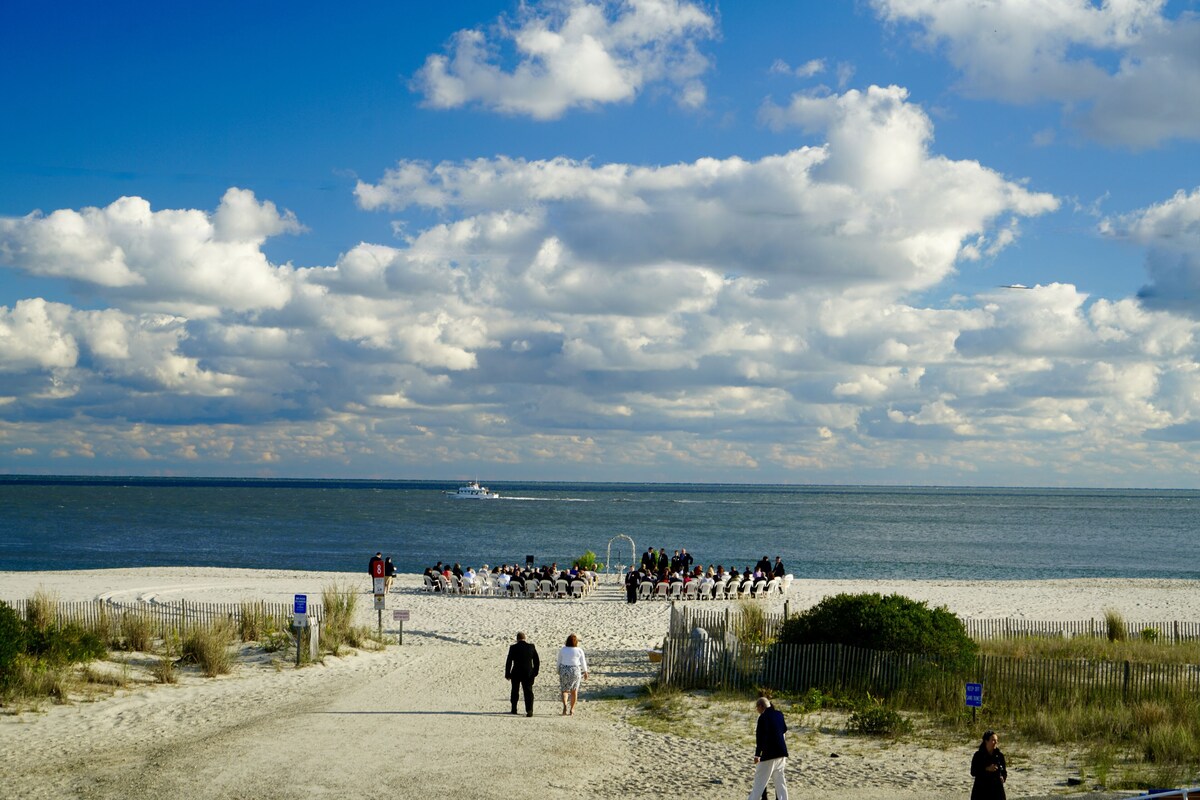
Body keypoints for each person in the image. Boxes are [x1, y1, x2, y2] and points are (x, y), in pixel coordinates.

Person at [746, 697, 789, 800]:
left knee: (759, 782)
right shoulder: (779, 714)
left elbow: (760, 738)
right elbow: (784, 729)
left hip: (769, 754)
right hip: (781, 752)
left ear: (761, 706)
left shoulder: (763, 717)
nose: (757, 710)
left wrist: (757, 755)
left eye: (757, 707)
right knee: (780, 782)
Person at [504, 632, 539, 717]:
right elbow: (536, 661)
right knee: (528, 691)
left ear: (517, 639)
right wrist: (535, 672)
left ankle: (514, 709)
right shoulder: (531, 647)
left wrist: (507, 673)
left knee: (515, 691)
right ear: (525, 638)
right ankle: (529, 710)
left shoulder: (513, 648)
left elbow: (509, 661)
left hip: (516, 672)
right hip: (528, 672)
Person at [557, 633, 588, 715]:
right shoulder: (579, 650)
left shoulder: (563, 649)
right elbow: (583, 662)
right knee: (574, 691)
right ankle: (572, 709)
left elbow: (559, 661)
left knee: (564, 690)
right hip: (575, 670)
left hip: (564, 669)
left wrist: (558, 670)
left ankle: (564, 706)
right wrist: (585, 671)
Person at [970, 730, 1007, 800]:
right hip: (981, 789)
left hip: (997, 789)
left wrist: (1003, 777)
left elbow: (1004, 771)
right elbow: (973, 772)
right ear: (986, 741)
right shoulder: (978, 755)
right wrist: (986, 769)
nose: (996, 742)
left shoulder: (999, 755)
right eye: (993, 740)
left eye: (996, 740)